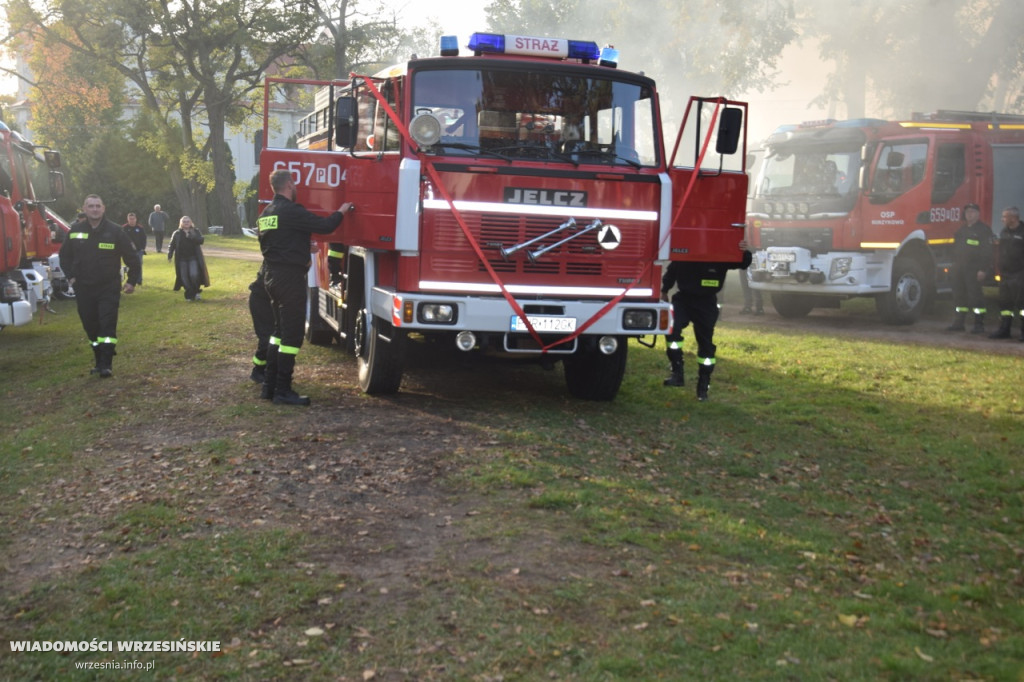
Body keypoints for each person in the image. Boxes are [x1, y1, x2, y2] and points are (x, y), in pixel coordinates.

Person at [257, 169, 353, 406]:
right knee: (292, 337)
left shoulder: (266, 213)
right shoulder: (292, 211)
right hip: (289, 279)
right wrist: (342, 211)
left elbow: (278, 241)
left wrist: (301, 247)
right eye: (295, 184)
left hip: (270, 276)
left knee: (278, 334)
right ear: (289, 185)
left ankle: (269, 387)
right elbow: (325, 226)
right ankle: (282, 390)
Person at [58, 194, 140, 377]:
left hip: (108, 287)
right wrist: (71, 278)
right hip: (84, 288)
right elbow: (64, 256)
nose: (94, 209)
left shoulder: (116, 231)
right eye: (90, 206)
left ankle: (106, 364)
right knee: (91, 326)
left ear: (103, 208)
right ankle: (98, 358)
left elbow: (132, 258)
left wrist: (132, 281)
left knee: (107, 325)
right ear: (84, 209)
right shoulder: (75, 230)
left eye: (97, 206)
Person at [661, 240, 753, 401]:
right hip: (683, 299)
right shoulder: (686, 248)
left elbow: (743, 263)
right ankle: (677, 372)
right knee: (671, 330)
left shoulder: (720, 253)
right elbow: (672, 270)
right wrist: (664, 291)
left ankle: (703, 387)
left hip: (706, 303)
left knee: (706, 346)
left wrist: (743, 250)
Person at [946, 203, 994, 334]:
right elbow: (955, 249)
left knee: (976, 297)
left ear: (978, 214)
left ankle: (979, 324)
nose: (969, 214)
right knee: (959, 296)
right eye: (967, 212)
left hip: (974, 269)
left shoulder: (984, 230)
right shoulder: (961, 230)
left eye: (972, 212)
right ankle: (959, 322)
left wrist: (983, 269)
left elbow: (988, 252)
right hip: (959, 269)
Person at [988, 206, 1024, 340]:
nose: (1002, 219)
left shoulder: (1023, 232)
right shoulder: (1004, 232)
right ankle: (1004, 329)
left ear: (1013, 218)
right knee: (1005, 304)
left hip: (1020, 273)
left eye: (1005, 217)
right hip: (1005, 274)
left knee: (1022, 304)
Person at [167, 216, 210, 301]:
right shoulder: (177, 233)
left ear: (191, 223)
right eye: (184, 221)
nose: (186, 223)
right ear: (181, 223)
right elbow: (172, 245)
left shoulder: (195, 231)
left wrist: (191, 236)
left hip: (193, 258)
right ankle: (189, 294)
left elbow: (201, 240)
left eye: (188, 221)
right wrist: (170, 254)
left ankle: (196, 292)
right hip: (181, 259)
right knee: (184, 277)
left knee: (194, 274)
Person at [248, 264, 274, 383]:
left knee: (274, 337)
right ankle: (258, 370)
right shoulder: (274, 262)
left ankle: (268, 370)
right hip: (260, 300)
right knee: (267, 337)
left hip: (269, 301)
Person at [122, 212, 147, 285]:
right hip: (127, 251)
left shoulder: (140, 228)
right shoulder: (124, 228)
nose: (132, 220)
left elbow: (144, 238)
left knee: (138, 265)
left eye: (133, 219)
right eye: (130, 219)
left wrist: (142, 248)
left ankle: (139, 280)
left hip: (138, 250)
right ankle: (130, 280)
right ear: (128, 219)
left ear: (136, 219)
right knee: (129, 265)